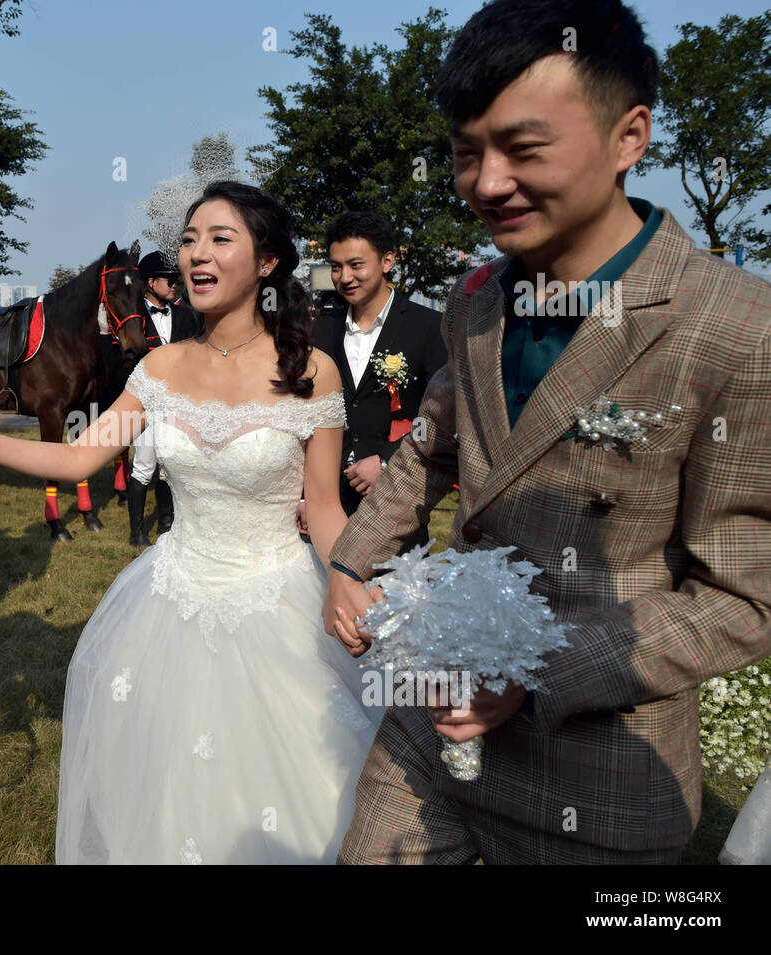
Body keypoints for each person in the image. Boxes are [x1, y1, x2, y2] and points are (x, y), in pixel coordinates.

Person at [326, 0, 771, 864]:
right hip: (428, 724)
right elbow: (434, 444)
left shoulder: (737, 327)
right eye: (466, 153)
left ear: (628, 137)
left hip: (600, 775)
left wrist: (535, 673)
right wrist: (353, 556)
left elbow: (747, 598)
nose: (487, 183)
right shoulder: (475, 299)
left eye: (524, 149)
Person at [0, 181, 381, 864]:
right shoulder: (156, 367)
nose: (196, 255)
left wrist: (347, 576)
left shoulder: (312, 372)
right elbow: (76, 459)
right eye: (189, 240)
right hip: (169, 609)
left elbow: (326, 509)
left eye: (219, 238)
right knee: (165, 803)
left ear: (268, 262)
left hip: (281, 610)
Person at [307, 212, 446, 552]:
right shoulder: (320, 329)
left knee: (392, 601)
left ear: (387, 260)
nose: (345, 277)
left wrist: (386, 459)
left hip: (396, 498)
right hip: (327, 503)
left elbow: (443, 414)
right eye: (336, 267)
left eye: (356, 265)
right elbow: (302, 415)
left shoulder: (429, 327)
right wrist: (302, 497)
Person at [125, 250, 202, 546]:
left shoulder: (187, 315)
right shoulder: (135, 317)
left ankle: (167, 524)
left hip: (180, 403)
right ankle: (136, 531)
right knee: (144, 465)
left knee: (170, 466)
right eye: (168, 280)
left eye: (175, 279)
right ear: (150, 282)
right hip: (146, 402)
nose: (174, 285)